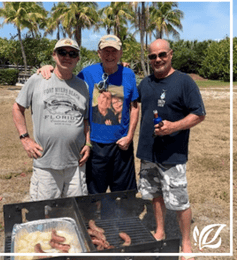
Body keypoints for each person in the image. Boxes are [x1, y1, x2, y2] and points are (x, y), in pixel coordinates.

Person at [37, 35, 140, 194]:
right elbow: (66, 79)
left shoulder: (128, 74)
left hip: (122, 145)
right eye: (106, 51)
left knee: (123, 195)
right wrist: (49, 68)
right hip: (94, 146)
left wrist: (130, 136)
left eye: (114, 51)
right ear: (99, 52)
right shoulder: (87, 73)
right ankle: (93, 219)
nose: (110, 55)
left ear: (120, 54)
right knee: (93, 195)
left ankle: (119, 219)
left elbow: (134, 107)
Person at [137, 38, 206, 259]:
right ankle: (160, 231)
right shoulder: (145, 83)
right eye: (152, 56)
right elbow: (125, 95)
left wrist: (174, 127)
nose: (157, 59)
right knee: (156, 196)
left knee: (179, 201)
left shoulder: (184, 82)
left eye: (162, 55)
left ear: (171, 54)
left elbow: (199, 114)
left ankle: (186, 245)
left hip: (173, 155)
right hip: (148, 153)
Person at [12, 38, 90, 201]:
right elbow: (17, 108)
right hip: (46, 163)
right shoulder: (38, 80)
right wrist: (25, 139)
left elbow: (85, 120)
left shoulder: (83, 86)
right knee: (45, 211)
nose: (67, 57)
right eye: (62, 52)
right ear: (54, 55)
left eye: (72, 53)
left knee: (76, 209)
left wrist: (88, 144)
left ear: (77, 59)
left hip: (76, 164)